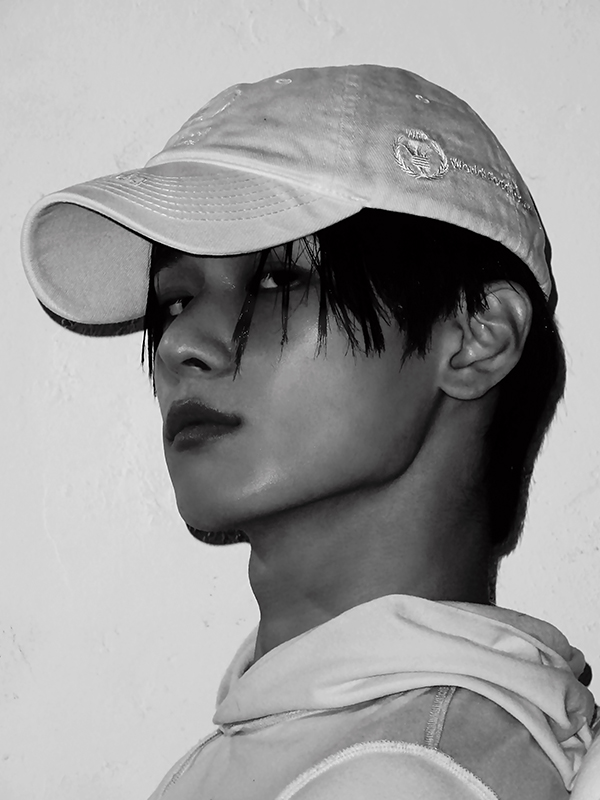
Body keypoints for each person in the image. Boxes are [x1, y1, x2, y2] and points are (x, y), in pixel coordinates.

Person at [21, 65, 599, 799]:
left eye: (276, 282)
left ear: (476, 337)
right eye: (174, 301)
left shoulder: (397, 778)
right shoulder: (332, 745)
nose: (179, 344)